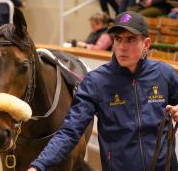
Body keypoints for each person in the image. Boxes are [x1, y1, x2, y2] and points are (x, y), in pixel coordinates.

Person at [27, 11, 178, 171]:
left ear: (146, 44)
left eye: (130, 39)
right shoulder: (96, 82)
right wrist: (38, 166)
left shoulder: (164, 74)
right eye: (118, 39)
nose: (122, 47)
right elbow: (70, 132)